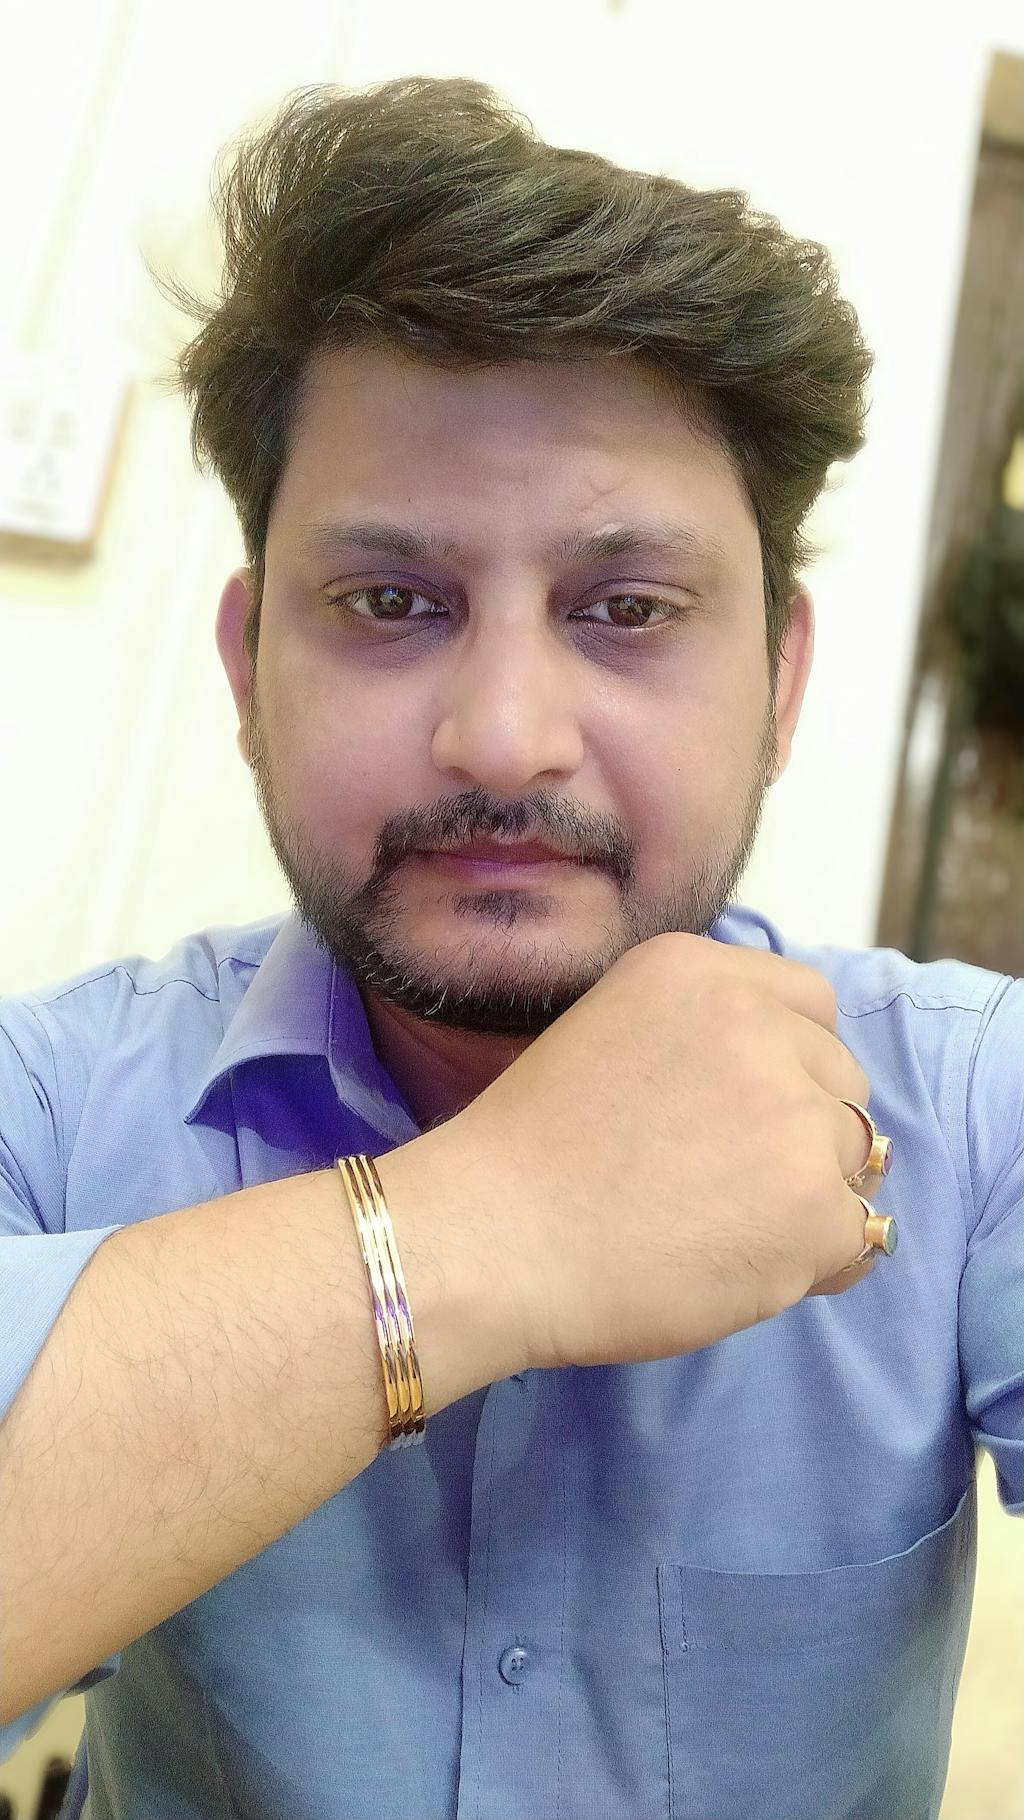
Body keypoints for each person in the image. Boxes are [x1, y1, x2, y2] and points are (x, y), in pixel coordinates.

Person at [0, 73, 1019, 1820]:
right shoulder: (55, 1100)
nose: (502, 737)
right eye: (391, 603)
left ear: (780, 683)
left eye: (626, 609)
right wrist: (491, 1227)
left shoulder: (976, 1113)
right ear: (248, 673)